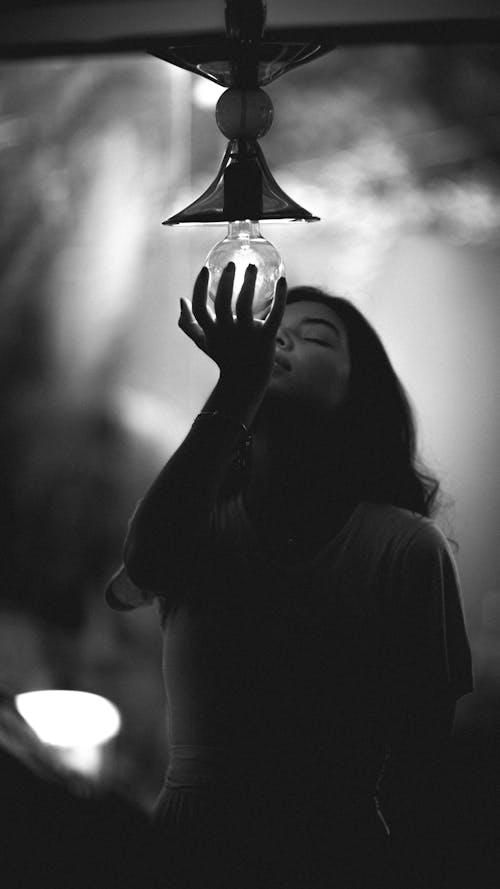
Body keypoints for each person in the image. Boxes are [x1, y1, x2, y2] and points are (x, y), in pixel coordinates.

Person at [106, 262, 474, 889]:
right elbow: (146, 562)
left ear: (362, 391)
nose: (280, 339)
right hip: (185, 855)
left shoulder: (407, 548)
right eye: (275, 328)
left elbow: (426, 768)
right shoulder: (203, 521)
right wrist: (236, 387)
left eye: (317, 336)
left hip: (336, 855)